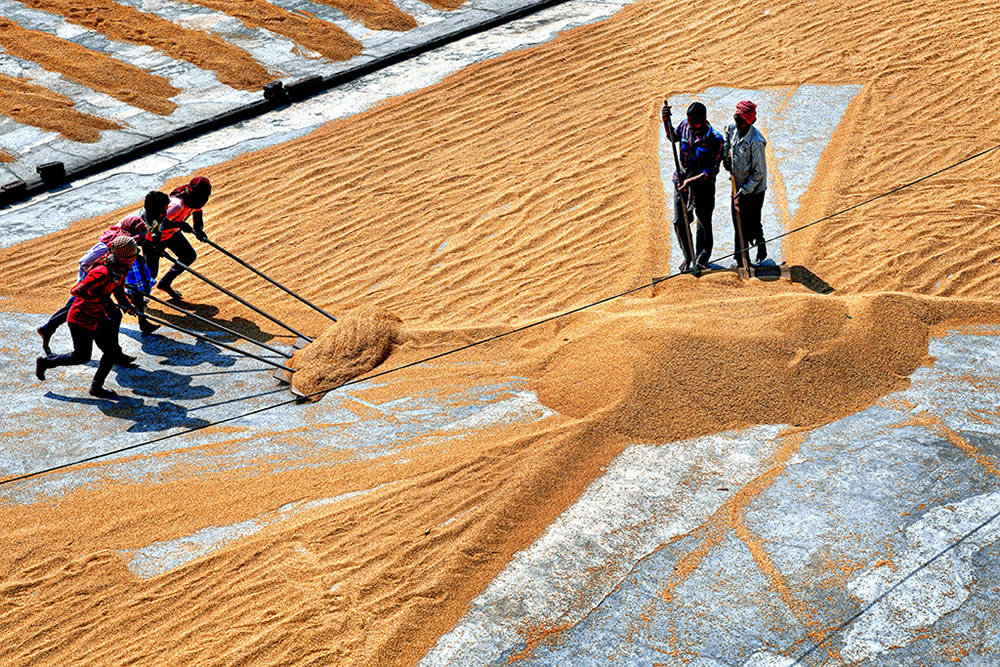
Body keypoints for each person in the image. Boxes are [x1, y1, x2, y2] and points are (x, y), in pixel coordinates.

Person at [36, 191, 168, 354]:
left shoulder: (128, 243)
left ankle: (48, 329)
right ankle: (112, 352)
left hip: (107, 275)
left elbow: (144, 241)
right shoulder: (112, 246)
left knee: (102, 307)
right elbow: (84, 262)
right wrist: (95, 280)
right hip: (93, 277)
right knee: (82, 307)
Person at [35, 236, 141, 399]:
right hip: (81, 319)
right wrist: (100, 299)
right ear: (124, 258)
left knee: (111, 352)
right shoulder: (101, 272)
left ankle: (96, 387)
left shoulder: (120, 270)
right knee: (82, 356)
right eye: (132, 257)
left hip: (99, 316)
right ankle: (45, 363)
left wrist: (128, 306)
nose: (134, 260)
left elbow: (118, 291)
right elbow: (77, 291)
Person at [662, 101, 724, 271]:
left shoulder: (715, 139)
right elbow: (673, 138)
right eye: (689, 122)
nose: (690, 126)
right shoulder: (684, 126)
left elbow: (711, 171)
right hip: (681, 183)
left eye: (694, 123)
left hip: (703, 186)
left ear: (704, 119)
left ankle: (702, 257)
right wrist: (665, 120)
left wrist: (691, 181)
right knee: (679, 221)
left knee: (703, 223)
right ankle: (688, 256)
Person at [143, 176, 212, 300]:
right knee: (151, 272)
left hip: (172, 234)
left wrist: (199, 229)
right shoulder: (177, 205)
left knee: (189, 256)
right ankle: (138, 294)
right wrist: (180, 224)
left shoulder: (196, 201)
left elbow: (197, 212)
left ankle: (165, 283)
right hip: (154, 239)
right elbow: (158, 224)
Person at [723, 100, 768, 269]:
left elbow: (758, 174)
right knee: (737, 221)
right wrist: (725, 156)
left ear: (751, 122)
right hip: (737, 184)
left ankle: (760, 243)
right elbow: (726, 134)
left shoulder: (756, 142)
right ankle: (741, 257)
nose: (739, 124)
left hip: (754, 189)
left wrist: (743, 192)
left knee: (751, 222)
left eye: (742, 122)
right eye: (737, 120)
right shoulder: (733, 126)